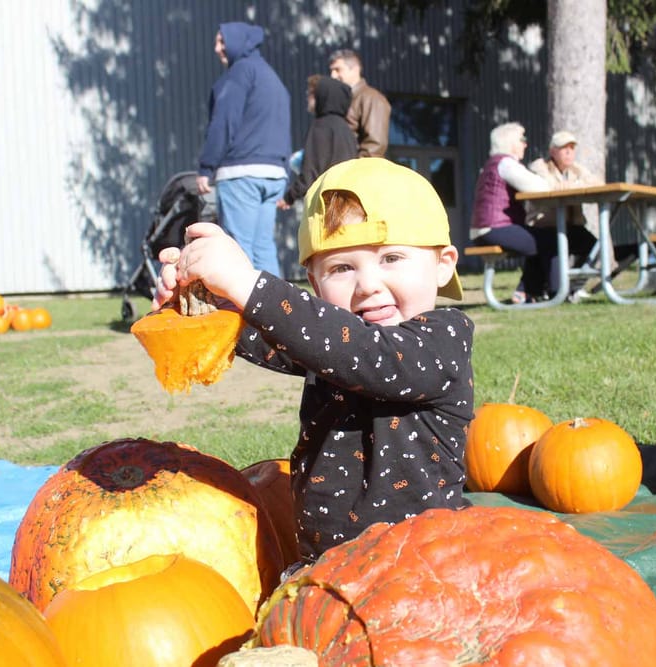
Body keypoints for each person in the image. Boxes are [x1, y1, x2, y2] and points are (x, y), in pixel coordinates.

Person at [154, 157, 473, 566]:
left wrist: (246, 282)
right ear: (315, 284)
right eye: (342, 268)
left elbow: (366, 354)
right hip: (322, 566)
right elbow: (274, 335)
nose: (369, 286)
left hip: (420, 568)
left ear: (443, 263)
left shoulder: (442, 339)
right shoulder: (324, 340)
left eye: (391, 258)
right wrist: (201, 306)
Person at [196, 22, 291, 278]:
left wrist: (207, 167)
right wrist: (284, 171)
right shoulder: (272, 77)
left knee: (238, 248)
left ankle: (245, 315)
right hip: (273, 175)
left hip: (242, 173)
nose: (216, 49)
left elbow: (224, 121)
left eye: (222, 42)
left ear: (238, 41)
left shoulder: (240, 73)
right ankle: (279, 315)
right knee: (263, 248)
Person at [468, 122, 551, 302]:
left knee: (541, 238)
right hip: (495, 229)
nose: (525, 144)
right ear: (510, 142)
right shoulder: (506, 163)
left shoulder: (491, 164)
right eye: (523, 139)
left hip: (484, 229)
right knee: (552, 239)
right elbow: (539, 188)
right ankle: (553, 291)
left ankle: (526, 292)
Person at [525, 130, 601, 300]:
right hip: (545, 226)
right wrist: (578, 185)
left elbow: (596, 183)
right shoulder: (540, 166)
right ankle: (554, 290)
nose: (569, 152)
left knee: (595, 247)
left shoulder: (576, 169)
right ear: (553, 151)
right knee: (554, 246)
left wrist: (573, 183)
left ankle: (574, 286)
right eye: (563, 148)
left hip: (570, 225)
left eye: (572, 148)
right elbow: (551, 187)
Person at [277, 75, 358, 210]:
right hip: (347, 201)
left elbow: (311, 172)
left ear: (322, 96)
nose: (307, 97)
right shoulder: (345, 128)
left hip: (325, 202)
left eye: (310, 93)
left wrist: (289, 197)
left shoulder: (321, 126)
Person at [328, 49, 391, 158]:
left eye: (338, 70)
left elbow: (374, 147)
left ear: (355, 69)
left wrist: (354, 172)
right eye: (331, 71)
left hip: (356, 172)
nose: (333, 75)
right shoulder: (344, 99)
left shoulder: (372, 98)